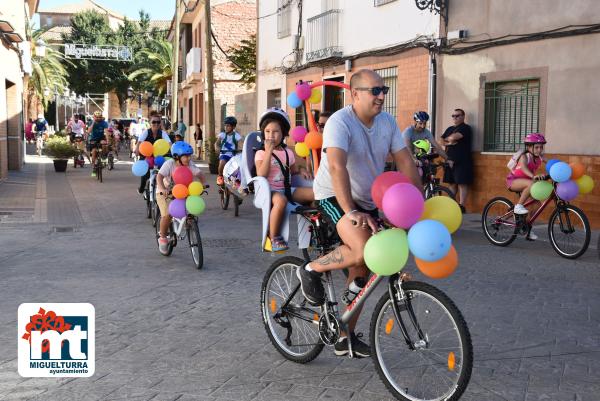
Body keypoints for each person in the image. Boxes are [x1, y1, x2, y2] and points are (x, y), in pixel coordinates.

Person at [296, 69, 421, 358]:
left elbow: (406, 162)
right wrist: (350, 209)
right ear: (355, 93)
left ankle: (344, 335)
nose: (380, 96)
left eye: (384, 90)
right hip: (333, 194)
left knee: (365, 269)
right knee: (365, 247)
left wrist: (419, 205)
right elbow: (338, 167)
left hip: (368, 197)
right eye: (374, 91)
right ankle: (311, 269)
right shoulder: (340, 122)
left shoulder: (387, 122)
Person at [255, 108, 314, 252]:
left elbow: (292, 171)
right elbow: (261, 175)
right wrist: (269, 152)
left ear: (283, 134)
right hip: (269, 191)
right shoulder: (261, 153)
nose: (271, 135)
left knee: (316, 193)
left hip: (287, 189)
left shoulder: (288, 153)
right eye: (267, 132)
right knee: (281, 200)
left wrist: (301, 170)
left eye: (275, 132)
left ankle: (312, 228)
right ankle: (273, 237)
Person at [155, 141, 206, 255]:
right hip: (165, 193)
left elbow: (200, 174)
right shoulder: (170, 164)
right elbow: (159, 176)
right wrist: (163, 188)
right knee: (168, 214)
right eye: (186, 156)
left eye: (189, 156)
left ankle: (189, 223)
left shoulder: (190, 165)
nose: (188, 158)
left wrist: (203, 184)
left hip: (183, 192)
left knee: (191, 209)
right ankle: (162, 237)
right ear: (177, 157)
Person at [506, 133, 547, 240]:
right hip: (514, 181)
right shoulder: (524, 156)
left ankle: (527, 228)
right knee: (531, 183)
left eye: (541, 147)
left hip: (527, 182)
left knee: (537, 204)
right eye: (536, 147)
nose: (539, 150)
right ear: (529, 147)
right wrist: (534, 176)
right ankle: (518, 206)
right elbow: (523, 168)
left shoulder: (539, 158)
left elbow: (550, 164)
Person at [440, 109, 474, 213]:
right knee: (452, 184)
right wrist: (449, 142)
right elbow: (441, 140)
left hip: (462, 161)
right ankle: (451, 205)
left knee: (462, 183)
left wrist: (449, 139)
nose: (455, 118)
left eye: (457, 116)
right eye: (453, 116)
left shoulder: (465, 128)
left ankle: (461, 206)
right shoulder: (450, 128)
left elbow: (455, 137)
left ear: (463, 116)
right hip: (450, 161)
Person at [136, 114, 172, 194]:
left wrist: (173, 151)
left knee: (163, 170)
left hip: (158, 156)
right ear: (150, 123)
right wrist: (137, 150)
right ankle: (142, 188)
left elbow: (169, 142)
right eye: (154, 122)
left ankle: (163, 187)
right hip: (146, 155)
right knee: (145, 173)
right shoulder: (146, 132)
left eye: (158, 122)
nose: (156, 124)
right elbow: (139, 142)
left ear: (160, 123)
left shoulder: (162, 133)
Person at [215, 116, 243, 184]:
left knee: (238, 167)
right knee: (222, 163)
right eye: (225, 126)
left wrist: (242, 149)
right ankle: (220, 176)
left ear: (233, 127)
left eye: (228, 126)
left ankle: (237, 180)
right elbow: (217, 143)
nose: (226, 127)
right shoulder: (222, 135)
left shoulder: (236, 136)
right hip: (224, 154)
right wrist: (217, 148)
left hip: (233, 155)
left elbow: (241, 144)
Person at [87, 111, 109, 177]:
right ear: (94, 117)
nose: (98, 118)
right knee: (94, 153)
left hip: (101, 138)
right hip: (93, 139)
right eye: (97, 117)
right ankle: (94, 168)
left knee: (104, 144)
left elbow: (106, 132)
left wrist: (107, 140)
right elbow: (89, 131)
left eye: (100, 117)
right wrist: (93, 122)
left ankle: (103, 157)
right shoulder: (91, 122)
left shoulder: (104, 123)